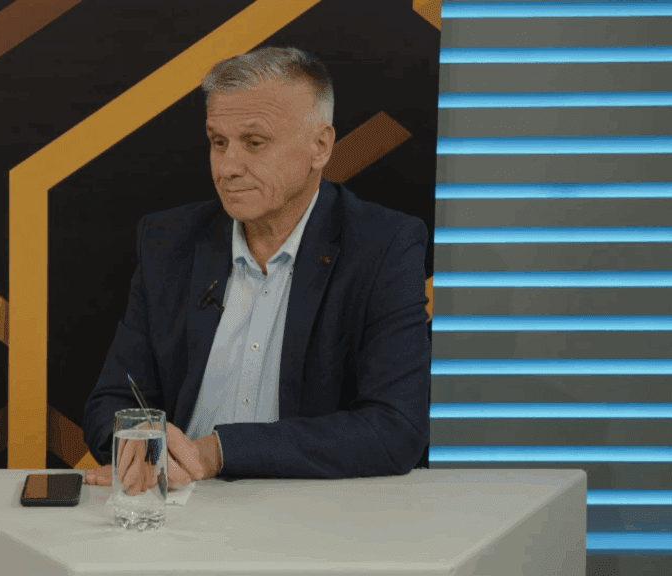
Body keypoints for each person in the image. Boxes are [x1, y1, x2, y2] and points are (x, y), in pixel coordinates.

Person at [83, 46, 430, 491]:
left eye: (254, 143)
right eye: (218, 142)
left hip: (308, 511)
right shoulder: (168, 241)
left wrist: (218, 453)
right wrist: (140, 448)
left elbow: (395, 428)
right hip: (176, 500)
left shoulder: (383, 246)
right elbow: (112, 400)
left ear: (320, 146)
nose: (228, 167)